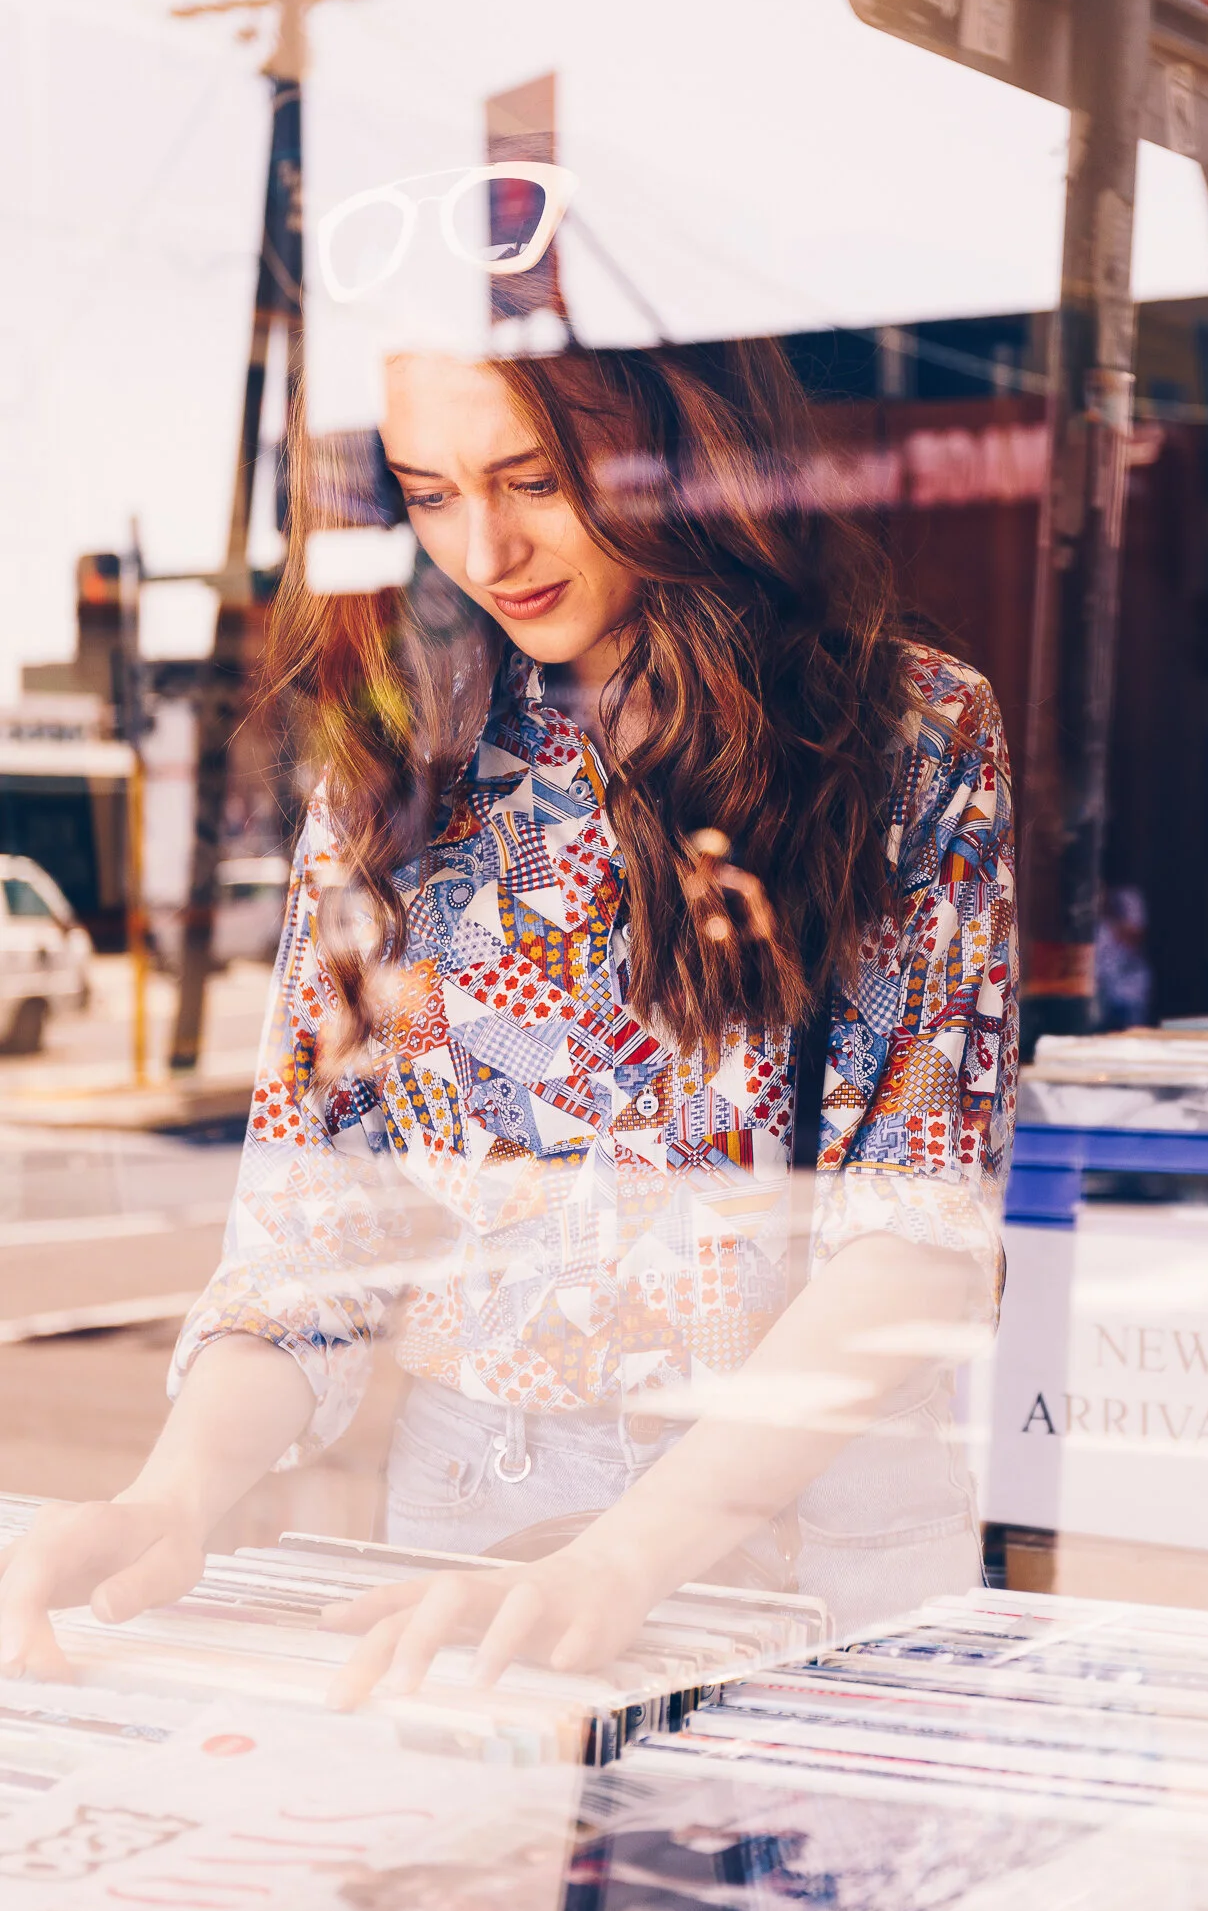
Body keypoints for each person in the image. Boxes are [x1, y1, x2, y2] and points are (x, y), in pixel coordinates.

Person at [0, 332, 1016, 1701]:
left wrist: (627, 1559)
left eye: (536, 480)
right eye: (427, 493)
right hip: (477, 1513)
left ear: (682, 444)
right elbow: (316, 1236)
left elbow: (915, 1237)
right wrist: (172, 1500)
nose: (485, 549)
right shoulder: (397, 764)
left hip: (799, 1514)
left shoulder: (905, 732)